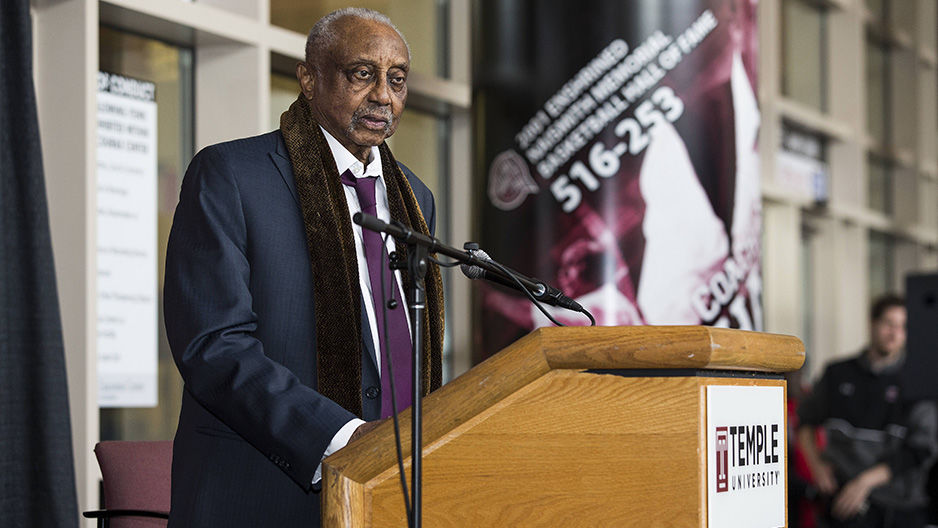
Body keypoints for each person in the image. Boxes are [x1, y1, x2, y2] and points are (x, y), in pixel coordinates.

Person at [162, 8, 444, 527]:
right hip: (262, 494)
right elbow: (213, 347)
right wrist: (341, 438)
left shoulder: (415, 198)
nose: (383, 94)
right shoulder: (231, 176)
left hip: (395, 495)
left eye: (397, 79)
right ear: (310, 79)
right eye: (362, 74)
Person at [797, 294, 937, 528]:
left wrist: (864, 483)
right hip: (842, 504)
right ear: (872, 323)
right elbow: (804, 422)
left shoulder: (916, 381)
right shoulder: (837, 374)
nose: (894, 333)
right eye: (889, 324)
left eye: (902, 327)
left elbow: (921, 450)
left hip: (898, 505)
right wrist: (817, 466)